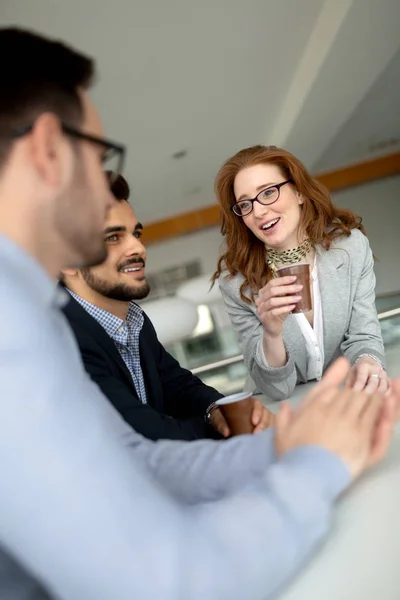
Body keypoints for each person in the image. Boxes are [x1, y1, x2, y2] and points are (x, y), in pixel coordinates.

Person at [0, 27, 397, 600]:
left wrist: (282, 447)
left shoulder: (36, 312)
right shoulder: (16, 328)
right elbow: (165, 582)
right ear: (46, 149)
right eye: (98, 156)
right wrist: (316, 464)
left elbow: (136, 460)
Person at [61, 172, 275, 441]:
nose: (137, 247)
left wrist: (218, 410)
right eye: (113, 238)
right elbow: (146, 435)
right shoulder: (61, 342)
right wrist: (233, 426)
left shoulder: (134, 321)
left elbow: (177, 384)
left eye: (135, 233)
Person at [214, 145, 389, 401]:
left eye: (268, 192)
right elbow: (277, 390)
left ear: (298, 192)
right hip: (282, 416)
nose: (259, 211)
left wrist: (368, 362)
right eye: (245, 204)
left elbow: (364, 335)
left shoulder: (351, 249)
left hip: (343, 400)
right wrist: (272, 333)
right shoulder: (236, 284)